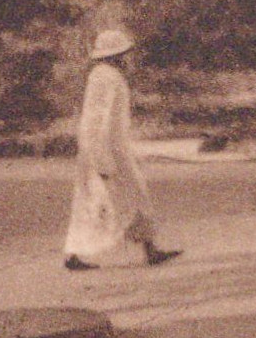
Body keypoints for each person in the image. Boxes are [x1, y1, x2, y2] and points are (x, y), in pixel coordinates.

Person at [63, 30, 182, 271]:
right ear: (116, 55)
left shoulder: (105, 76)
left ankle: (149, 248)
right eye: (125, 54)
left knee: (125, 197)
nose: (129, 58)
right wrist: (101, 158)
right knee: (104, 201)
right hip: (105, 149)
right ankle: (76, 253)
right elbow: (98, 120)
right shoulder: (107, 78)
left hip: (109, 148)